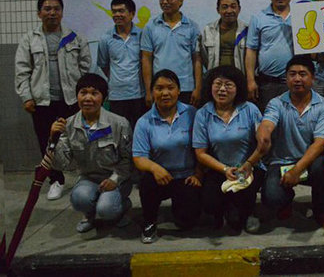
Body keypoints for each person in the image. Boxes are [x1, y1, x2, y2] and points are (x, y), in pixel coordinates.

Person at [239, 55, 324, 227]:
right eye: (292, 74)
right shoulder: (276, 103)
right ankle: (285, 200)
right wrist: (263, 133)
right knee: (272, 198)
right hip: (281, 162)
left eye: (302, 74)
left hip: (310, 161)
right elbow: (267, 124)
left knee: (323, 167)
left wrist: (297, 170)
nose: (297, 79)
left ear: (313, 78)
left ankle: (322, 210)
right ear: (286, 78)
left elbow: (319, 143)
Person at [15, 0, 92, 200]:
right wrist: (26, 97)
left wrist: (83, 95)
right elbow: (22, 71)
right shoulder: (29, 39)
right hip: (42, 102)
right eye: (47, 9)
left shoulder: (74, 38)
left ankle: (84, 177)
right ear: (39, 13)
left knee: (79, 139)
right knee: (47, 142)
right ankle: (56, 180)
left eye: (56, 9)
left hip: (71, 101)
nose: (52, 13)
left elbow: (85, 66)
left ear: (62, 13)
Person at [50, 73, 132, 233]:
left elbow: (127, 159)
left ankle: (122, 207)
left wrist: (115, 179)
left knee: (107, 209)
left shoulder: (119, 123)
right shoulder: (68, 125)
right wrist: (53, 138)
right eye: (83, 93)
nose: (88, 98)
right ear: (77, 96)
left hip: (116, 178)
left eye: (94, 93)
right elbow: (61, 164)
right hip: (88, 179)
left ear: (104, 97)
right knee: (79, 198)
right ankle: (89, 214)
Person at [133, 69, 202, 243]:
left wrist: (198, 173)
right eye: (159, 88)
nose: (165, 93)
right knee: (146, 181)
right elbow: (139, 158)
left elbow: (203, 147)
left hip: (187, 177)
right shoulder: (144, 122)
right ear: (152, 92)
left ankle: (180, 209)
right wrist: (155, 168)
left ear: (179, 90)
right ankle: (149, 222)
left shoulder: (192, 113)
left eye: (170, 88)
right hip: (160, 177)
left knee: (186, 221)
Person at [193, 66, 263, 233]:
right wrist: (224, 169)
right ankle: (223, 210)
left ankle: (248, 213)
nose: (222, 89)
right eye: (218, 84)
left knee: (238, 218)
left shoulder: (250, 109)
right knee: (209, 203)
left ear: (238, 88)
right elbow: (200, 153)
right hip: (218, 169)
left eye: (228, 85)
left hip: (248, 167)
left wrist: (249, 163)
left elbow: (263, 145)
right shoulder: (203, 114)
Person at [141, 0, 201, 107]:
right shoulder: (151, 27)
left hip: (186, 87)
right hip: (160, 87)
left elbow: (197, 59)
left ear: (181, 1)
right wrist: (148, 90)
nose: (165, 2)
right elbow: (146, 59)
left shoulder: (192, 26)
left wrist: (198, 88)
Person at [245, 0, 295, 111]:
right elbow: (251, 50)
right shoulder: (258, 18)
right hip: (267, 83)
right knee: (268, 119)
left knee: (293, 119)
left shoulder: (301, 16)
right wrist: (250, 80)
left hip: (295, 82)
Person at [97, 0, 145, 128]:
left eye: (121, 11)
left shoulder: (143, 35)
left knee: (139, 130)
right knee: (119, 132)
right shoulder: (105, 38)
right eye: (114, 11)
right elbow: (104, 65)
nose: (117, 15)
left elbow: (147, 63)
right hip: (116, 95)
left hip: (139, 94)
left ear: (132, 14)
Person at [200, 0, 248, 73]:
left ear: (239, 9)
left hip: (240, 76)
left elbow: (253, 57)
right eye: (224, 7)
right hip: (215, 76)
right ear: (218, 10)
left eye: (233, 7)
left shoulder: (247, 30)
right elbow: (204, 57)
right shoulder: (209, 30)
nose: (229, 11)